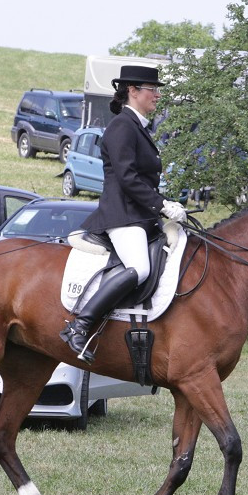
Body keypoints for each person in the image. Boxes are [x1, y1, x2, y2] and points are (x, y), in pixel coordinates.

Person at [59, 64, 187, 363]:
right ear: (133, 91)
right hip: (122, 215)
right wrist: (162, 204)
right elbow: (128, 178)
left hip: (142, 216)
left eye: (157, 90)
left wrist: (166, 203)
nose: (158, 95)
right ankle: (80, 326)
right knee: (139, 268)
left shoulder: (139, 127)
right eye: (152, 90)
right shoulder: (121, 126)